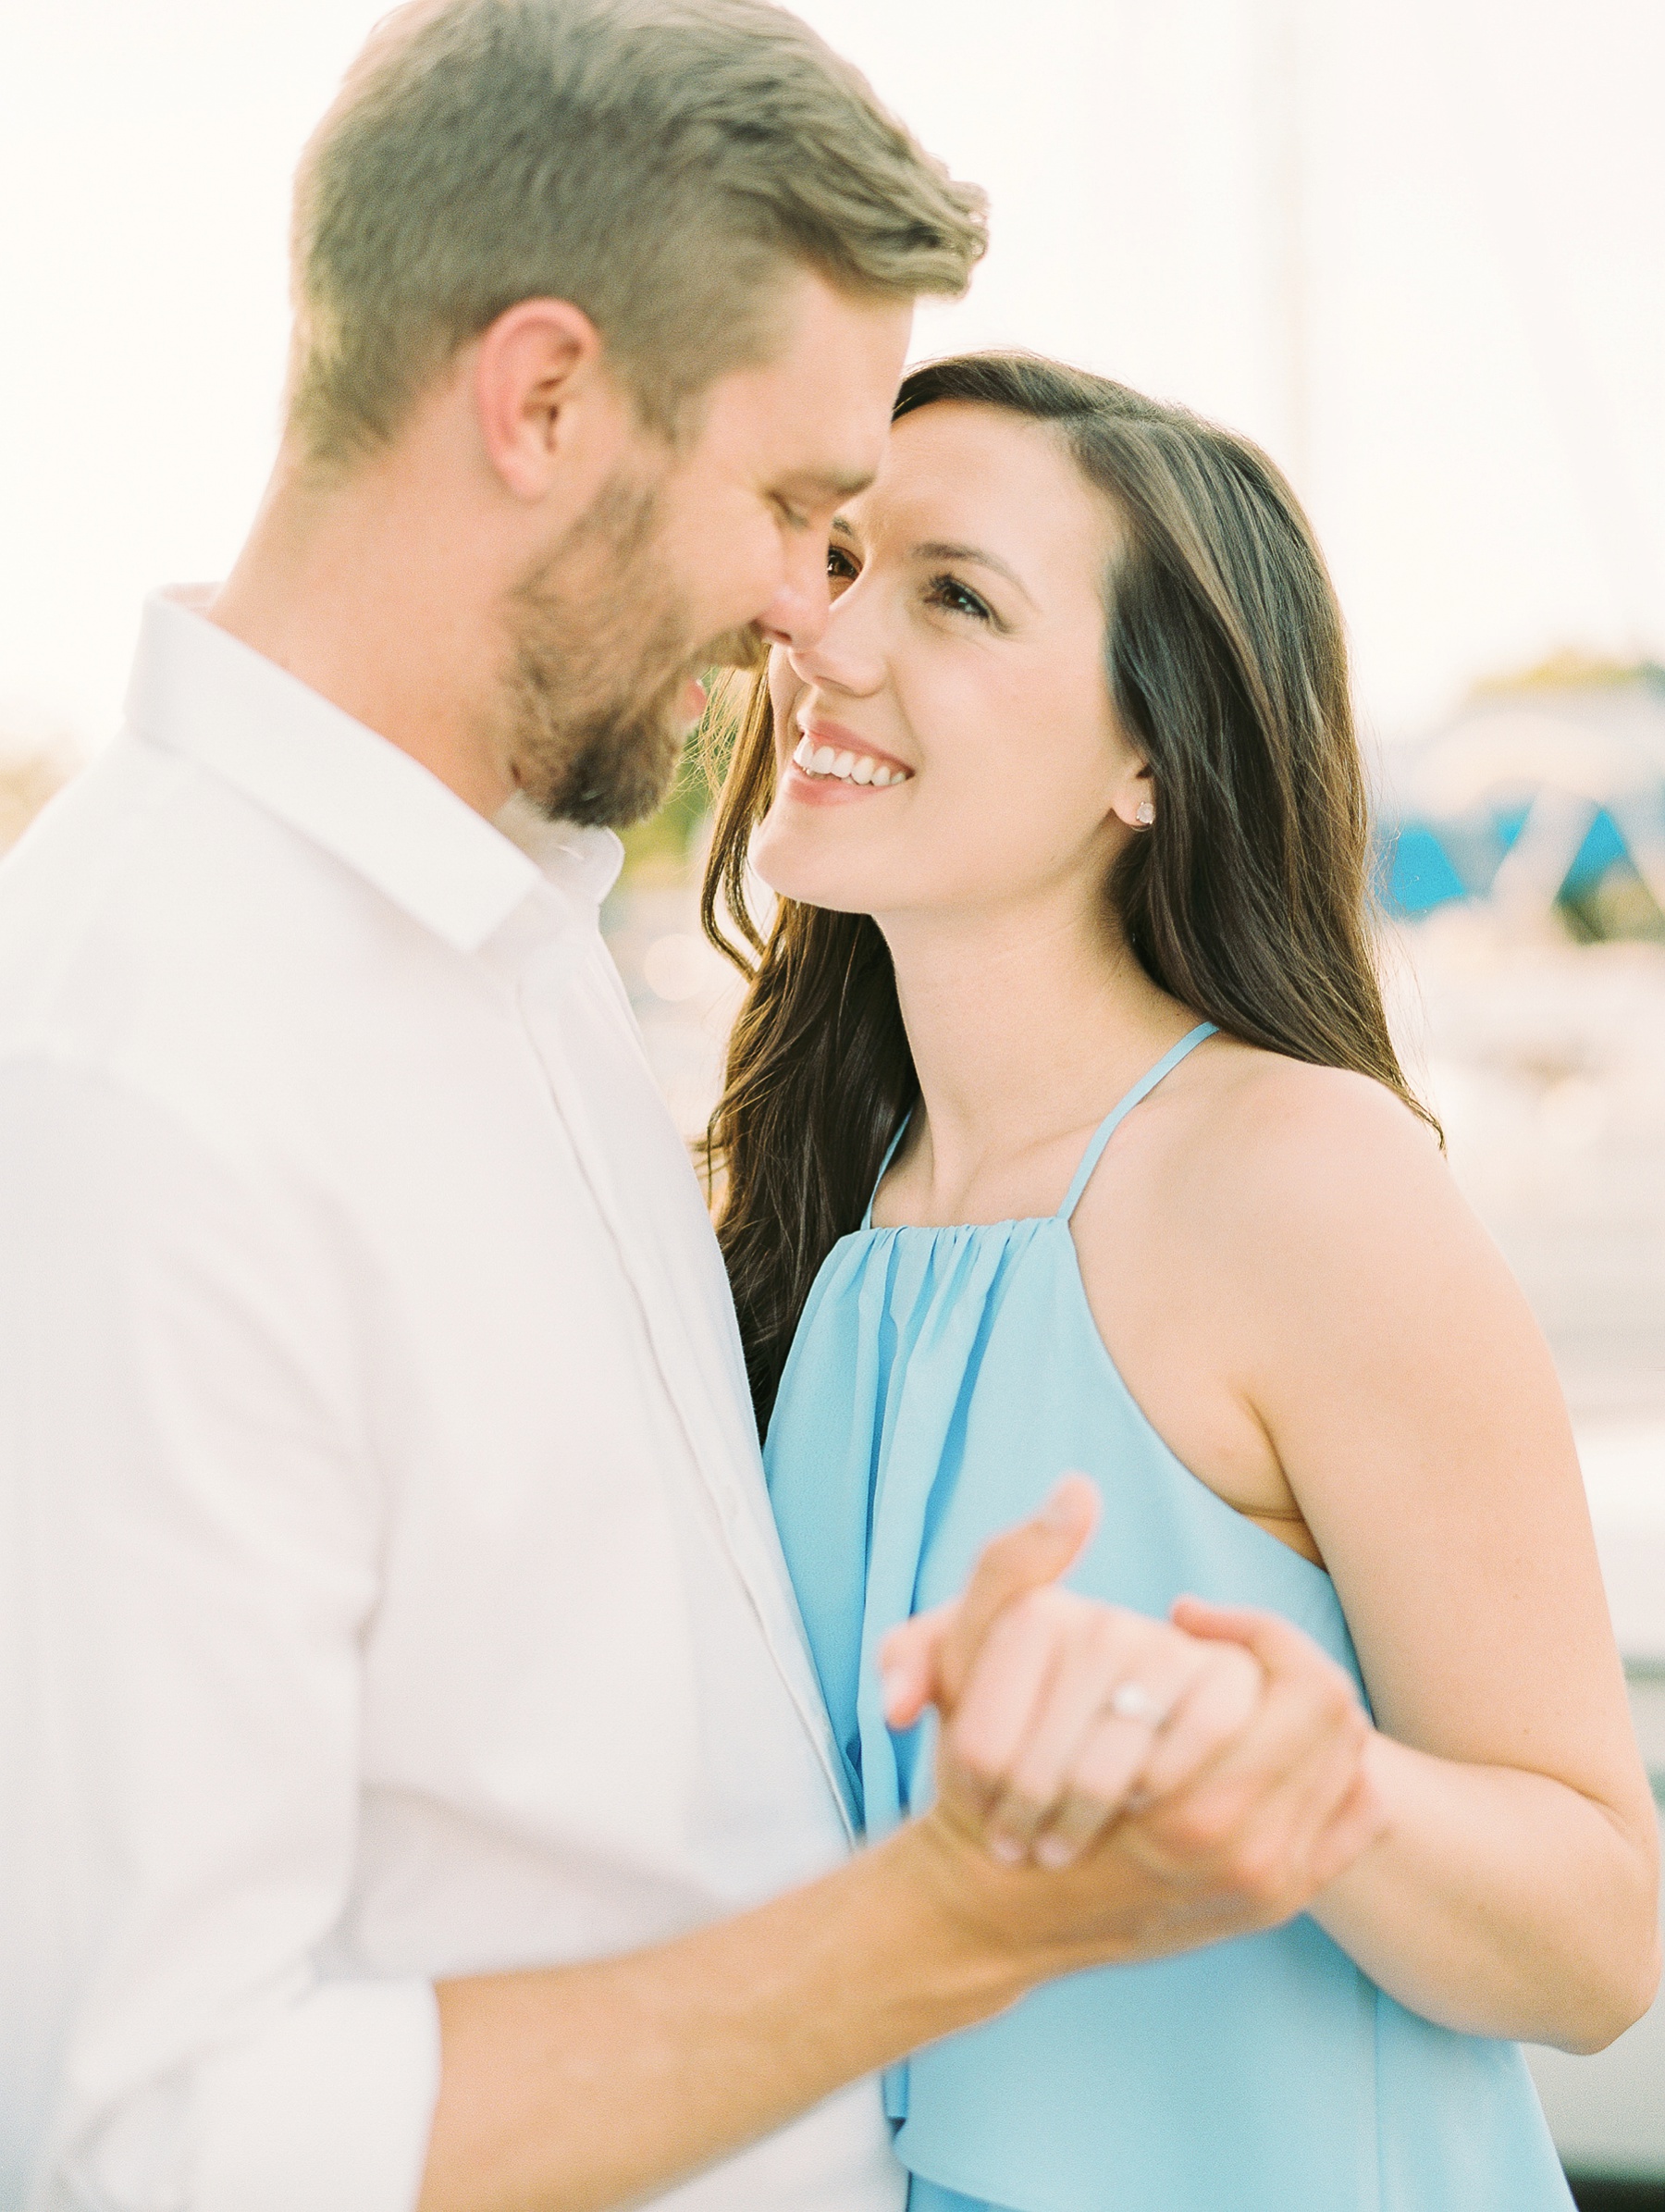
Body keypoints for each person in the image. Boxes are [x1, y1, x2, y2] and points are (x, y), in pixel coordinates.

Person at [0, 10, 1387, 2212]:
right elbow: (160, 2139)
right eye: (795, 508)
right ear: (541, 398)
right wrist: (957, 1923)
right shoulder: (134, 1072)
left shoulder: (510, 933)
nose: (801, 613)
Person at [702, 351, 1663, 2212]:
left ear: (1150, 753)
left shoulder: (1297, 1177)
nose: (826, 640)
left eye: (955, 594)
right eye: (836, 563)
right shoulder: (822, 1207)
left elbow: (1604, 1935)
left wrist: (1310, 1786)